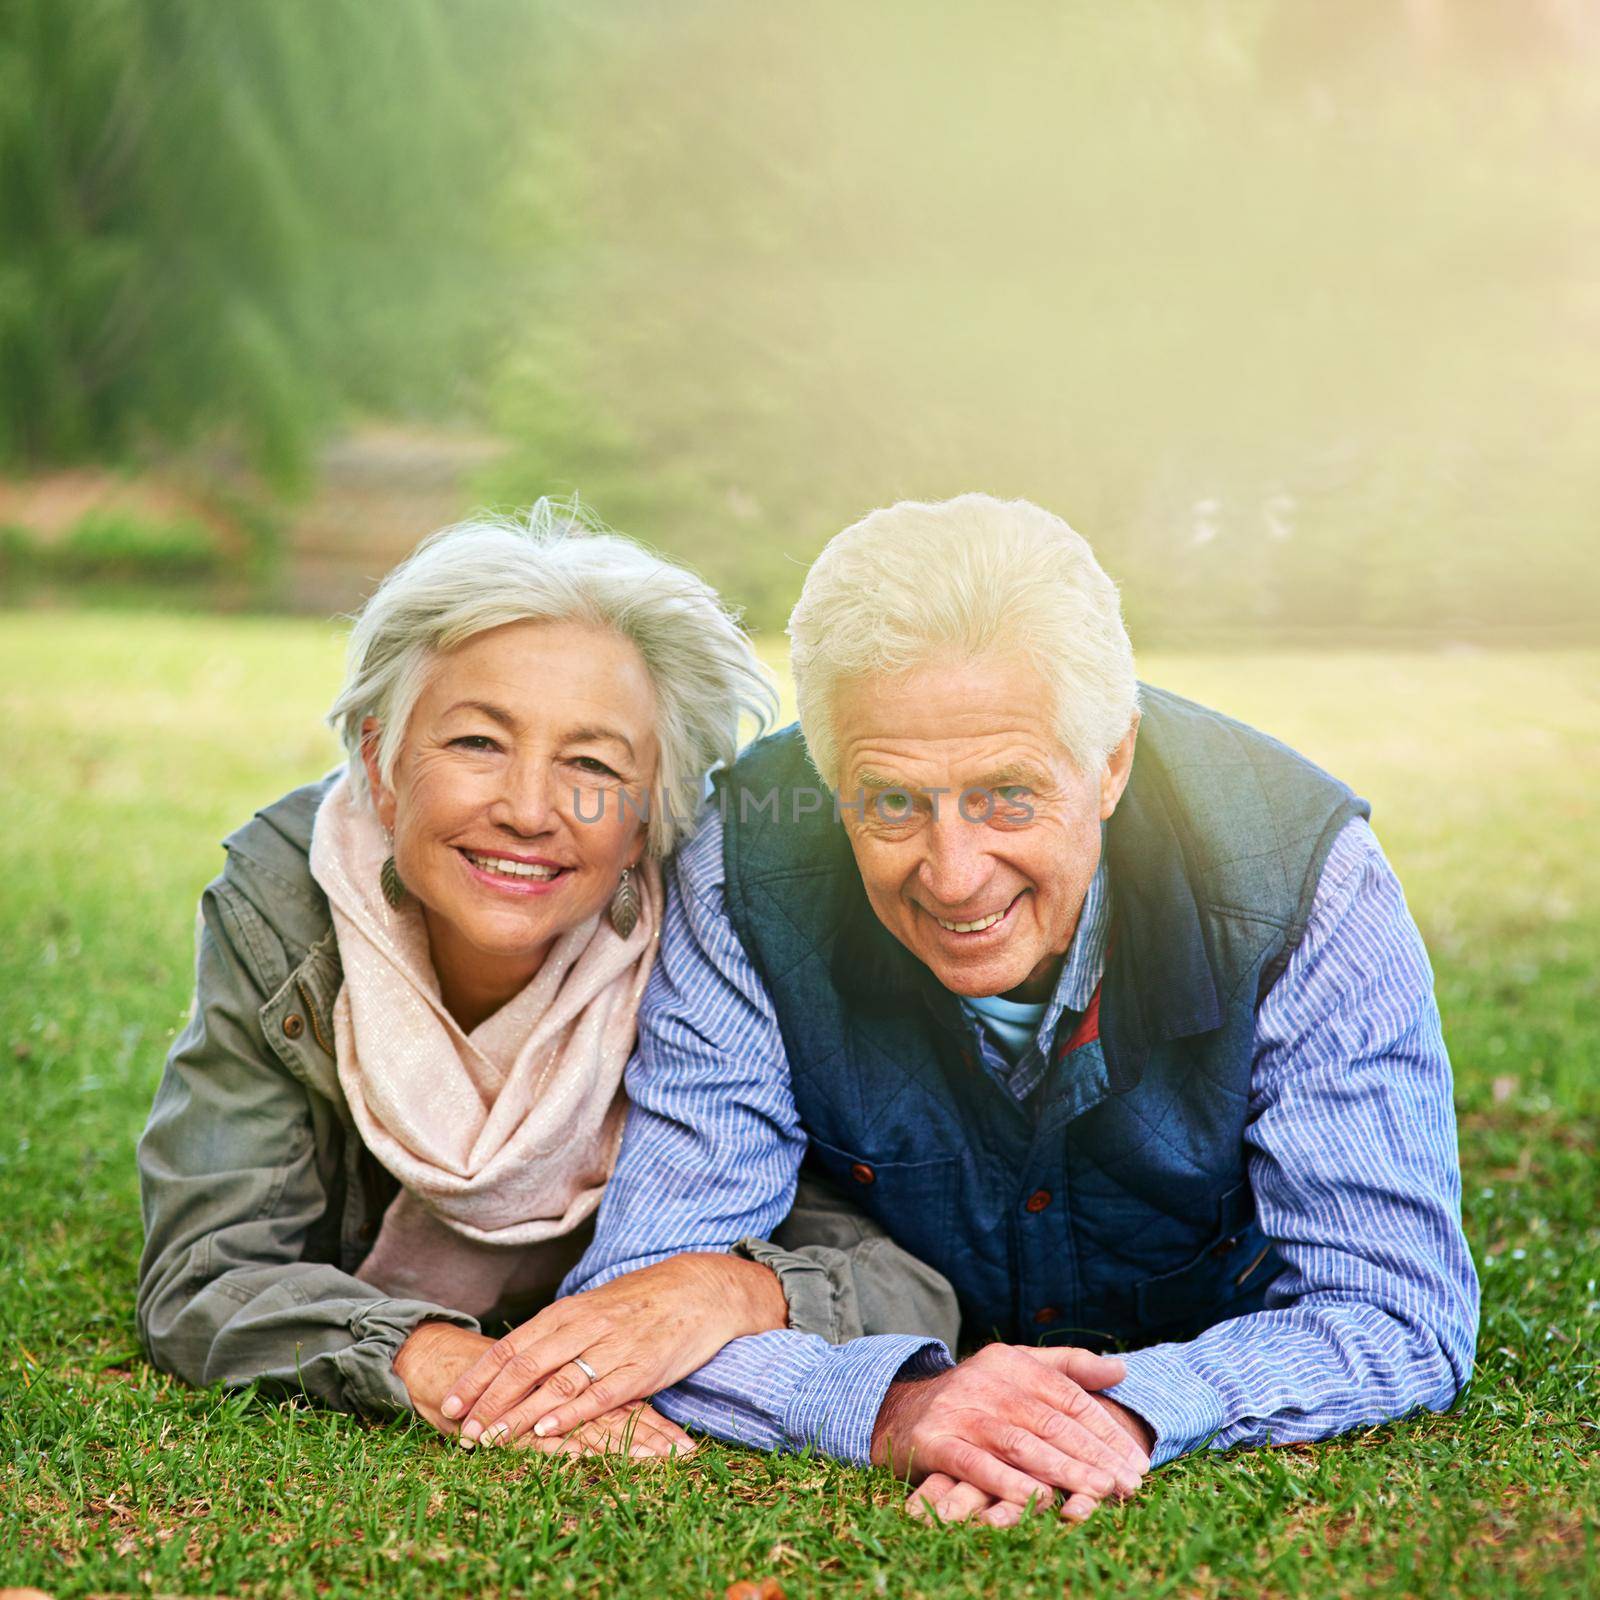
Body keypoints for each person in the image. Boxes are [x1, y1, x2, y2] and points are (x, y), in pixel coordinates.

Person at [445, 493, 1480, 1524]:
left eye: (1007, 795)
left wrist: (1125, 1415)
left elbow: (1394, 1308)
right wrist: (894, 1405)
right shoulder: (741, 871)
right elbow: (646, 1297)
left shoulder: (1302, 873)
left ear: (1110, 759)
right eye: (892, 801)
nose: (952, 874)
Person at [135, 502, 788, 1455]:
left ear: (647, 819)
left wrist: (725, 1286)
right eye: (478, 742)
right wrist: (463, 1374)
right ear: (380, 759)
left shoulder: (715, 933)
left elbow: (888, 1255)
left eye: (593, 762)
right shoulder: (283, 907)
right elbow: (204, 1275)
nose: (528, 810)